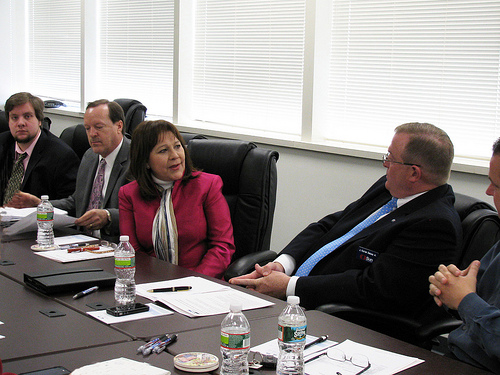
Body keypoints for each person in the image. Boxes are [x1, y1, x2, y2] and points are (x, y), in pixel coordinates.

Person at [230, 122, 462, 320]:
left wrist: (289, 286)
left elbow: (371, 288)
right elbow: (329, 225)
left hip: (336, 318)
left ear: (414, 173)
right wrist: (283, 264)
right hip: (298, 297)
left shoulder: (434, 225)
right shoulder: (388, 188)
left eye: (390, 159)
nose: (385, 164)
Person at [118, 120, 235, 279]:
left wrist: (192, 283)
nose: (175, 156)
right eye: (163, 150)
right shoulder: (129, 194)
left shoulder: (207, 186)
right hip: (151, 282)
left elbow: (222, 247)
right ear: (145, 161)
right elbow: (132, 251)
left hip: (200, 282)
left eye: (178, 146)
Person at [9, 99, 130, 243]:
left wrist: (108, 216)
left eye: (99, 127)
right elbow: (75, 202)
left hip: (117, 246)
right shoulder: (90, 156)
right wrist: (41, 204)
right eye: (87, 128)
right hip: (83, 241)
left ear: (119, 126)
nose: (92, 134)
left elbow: (143, 212)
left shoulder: (135, 159)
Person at [429, 138, 500, 374]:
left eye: (496, 185)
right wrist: (450, 285)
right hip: (456, 356)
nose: (488, 192)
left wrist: (464, 299)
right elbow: (475, 291)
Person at [0, 92, 79, 205]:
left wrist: (39, 204)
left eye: (27, 116)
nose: (20, 123)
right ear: (8, 122)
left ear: (39, 120)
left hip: (38, 219)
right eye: (14, 118)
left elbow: (70, 205)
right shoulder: (2, 144)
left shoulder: (61, 155)